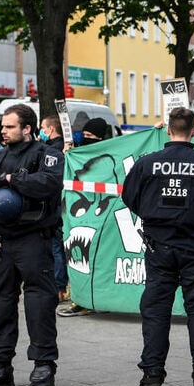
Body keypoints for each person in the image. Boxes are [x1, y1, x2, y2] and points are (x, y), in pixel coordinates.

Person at [121, 107, 194, 386]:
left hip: (159, 248)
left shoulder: (147, 164)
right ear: (193, 131)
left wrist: (156, 215)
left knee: (156, 311)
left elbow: (129, 197)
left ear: (168, 130)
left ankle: (151, 380)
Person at [0, 104, 65, 386]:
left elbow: (48, 184)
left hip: (34, 239)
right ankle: (0, 366)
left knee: (39, 304)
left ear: (27, 128)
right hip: (2, 242)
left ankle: (43, 365)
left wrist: (10, 179)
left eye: (9, 127)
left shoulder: (48, 155)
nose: (2, 131)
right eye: (3, 126)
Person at [57, 117, 113, 317]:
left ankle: (97, 299)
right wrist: (68, 156)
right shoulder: (79, 158)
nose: (86, 140)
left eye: (91, 137)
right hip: (81, 221)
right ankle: (80, 299)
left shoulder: (109, 157)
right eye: (85, 136)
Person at [39, 115, 69, 303]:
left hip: (55, 205)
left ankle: (58, 287)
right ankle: (58, 285)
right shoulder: (62, 149)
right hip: (60, 205)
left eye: (42, 127)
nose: (40, 130)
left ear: (50, 129)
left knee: (56, 248)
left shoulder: (52, 151)